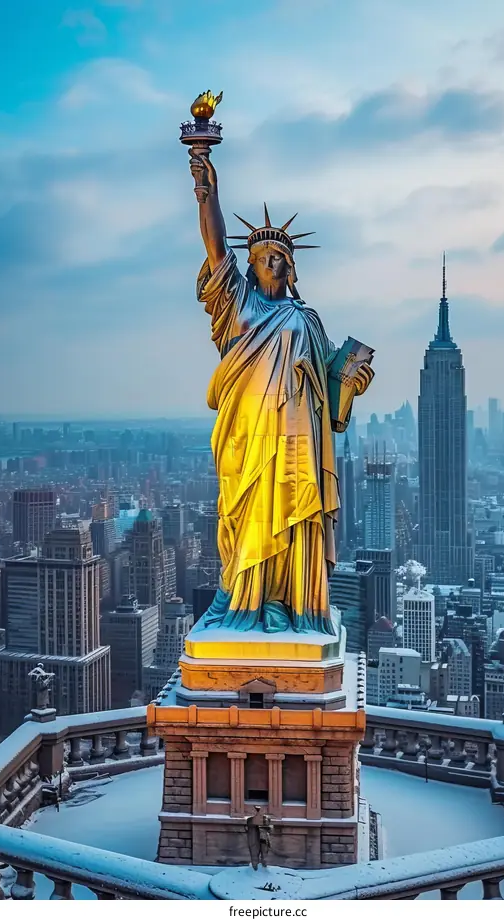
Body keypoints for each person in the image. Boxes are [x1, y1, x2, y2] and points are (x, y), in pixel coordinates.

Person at [189, 150, 372, 636]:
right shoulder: (236, 306)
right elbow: (215, 247)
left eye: (280, 259)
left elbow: (333, 389)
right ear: (250, 267)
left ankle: (290, 601)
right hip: (249, 437)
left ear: (291, 270)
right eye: (263, 259)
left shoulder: (306, 320)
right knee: (248, 514)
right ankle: (248, 600)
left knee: (295, 519)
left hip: (299, 441)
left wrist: (350, 380)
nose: (272, 263)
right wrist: (207, 189)